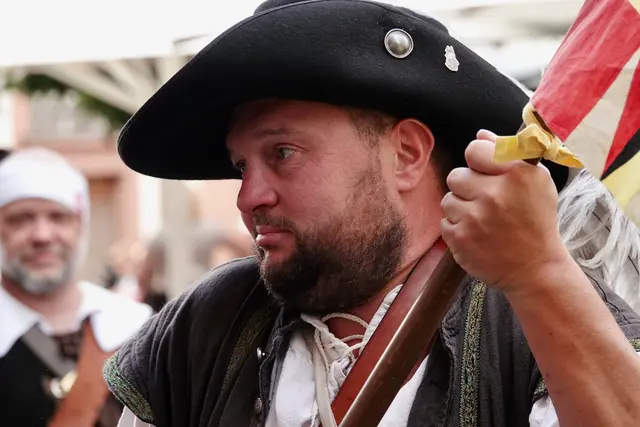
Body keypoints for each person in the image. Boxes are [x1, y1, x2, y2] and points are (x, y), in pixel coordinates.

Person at [105, 1, 640, 426]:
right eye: (241, 166)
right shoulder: (206, 324)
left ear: (406, 153)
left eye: (282, 153)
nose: (249, 196)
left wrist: (540, 274)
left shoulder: (535, 317)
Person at [0, 147, 153, 427]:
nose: (42, 236)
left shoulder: (136, 326)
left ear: (81, 226)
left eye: (58, 217)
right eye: (21, 219)